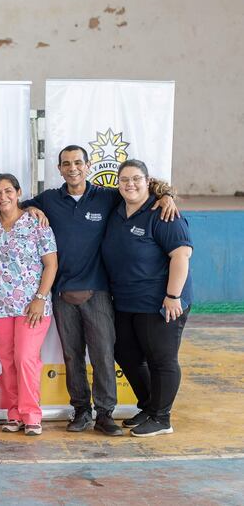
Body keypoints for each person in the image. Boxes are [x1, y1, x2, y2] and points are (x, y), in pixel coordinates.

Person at [24, 145, 178, 436]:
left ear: (89, 165)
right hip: (62, 295)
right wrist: (31, 208)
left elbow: (142, 188)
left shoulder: (107, 197)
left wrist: (167, 195)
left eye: (78, 162)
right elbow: (21, 205)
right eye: (66, 163)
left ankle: (105, 413)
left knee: (103, 355)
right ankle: (81, 410)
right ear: (59, 169)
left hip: (98, 293)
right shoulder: (48, 200)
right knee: (72, 356)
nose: (73, 168)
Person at [102, 159, 193, 437]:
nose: (130, 184)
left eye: (136, 179)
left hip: (161, 303)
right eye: (124, 180)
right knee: (125, 353)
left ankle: (162, 417)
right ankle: (150, 406)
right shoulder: (116, 210)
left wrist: (172, 295)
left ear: (147, 181)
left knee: (161, 359)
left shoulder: (163, 213)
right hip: (127, 301)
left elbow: (181, 255)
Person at [0, 173, 58, 436]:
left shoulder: (37, 223)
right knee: (8, 361)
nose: (3, 197)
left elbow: (51, 264)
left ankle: (31, 414)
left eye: (8, 191)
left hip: (31, 307)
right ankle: (14, 413)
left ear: (18, 192)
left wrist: (39, 298)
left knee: (25, 359)